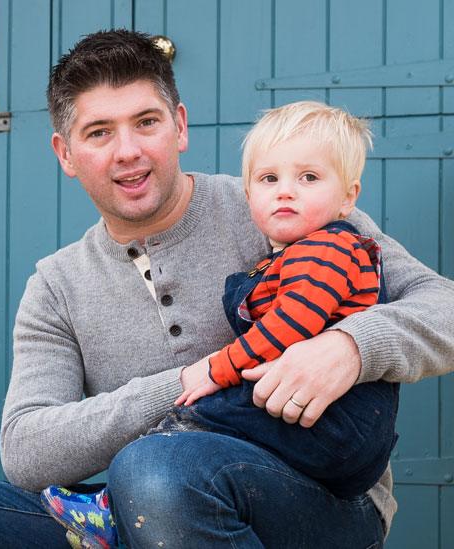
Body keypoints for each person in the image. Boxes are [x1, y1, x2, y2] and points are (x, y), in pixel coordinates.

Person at [0, 30, 454, 548]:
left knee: (155, 471)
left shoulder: (279, 205)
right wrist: (183, 386)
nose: (129, 152)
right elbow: (27, 451)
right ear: (66, 153)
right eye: (98, 132)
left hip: (320, 505)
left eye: (146, 122)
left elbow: (443, 310)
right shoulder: (57, 286)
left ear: (180, 126)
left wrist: (350, 347)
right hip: (134, 511)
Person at [41, 101, 400, 549]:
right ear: (249, 195)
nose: (287, 191)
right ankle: (118, 508)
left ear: (348, 196)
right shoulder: (54, 282)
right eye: (270, 179)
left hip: (333, 427)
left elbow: (288, 328)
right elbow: (24, 450)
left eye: (309, 178)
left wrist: (216, 371)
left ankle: (115, 508)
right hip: (286, 444)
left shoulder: (327, 246)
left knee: (184, 433)